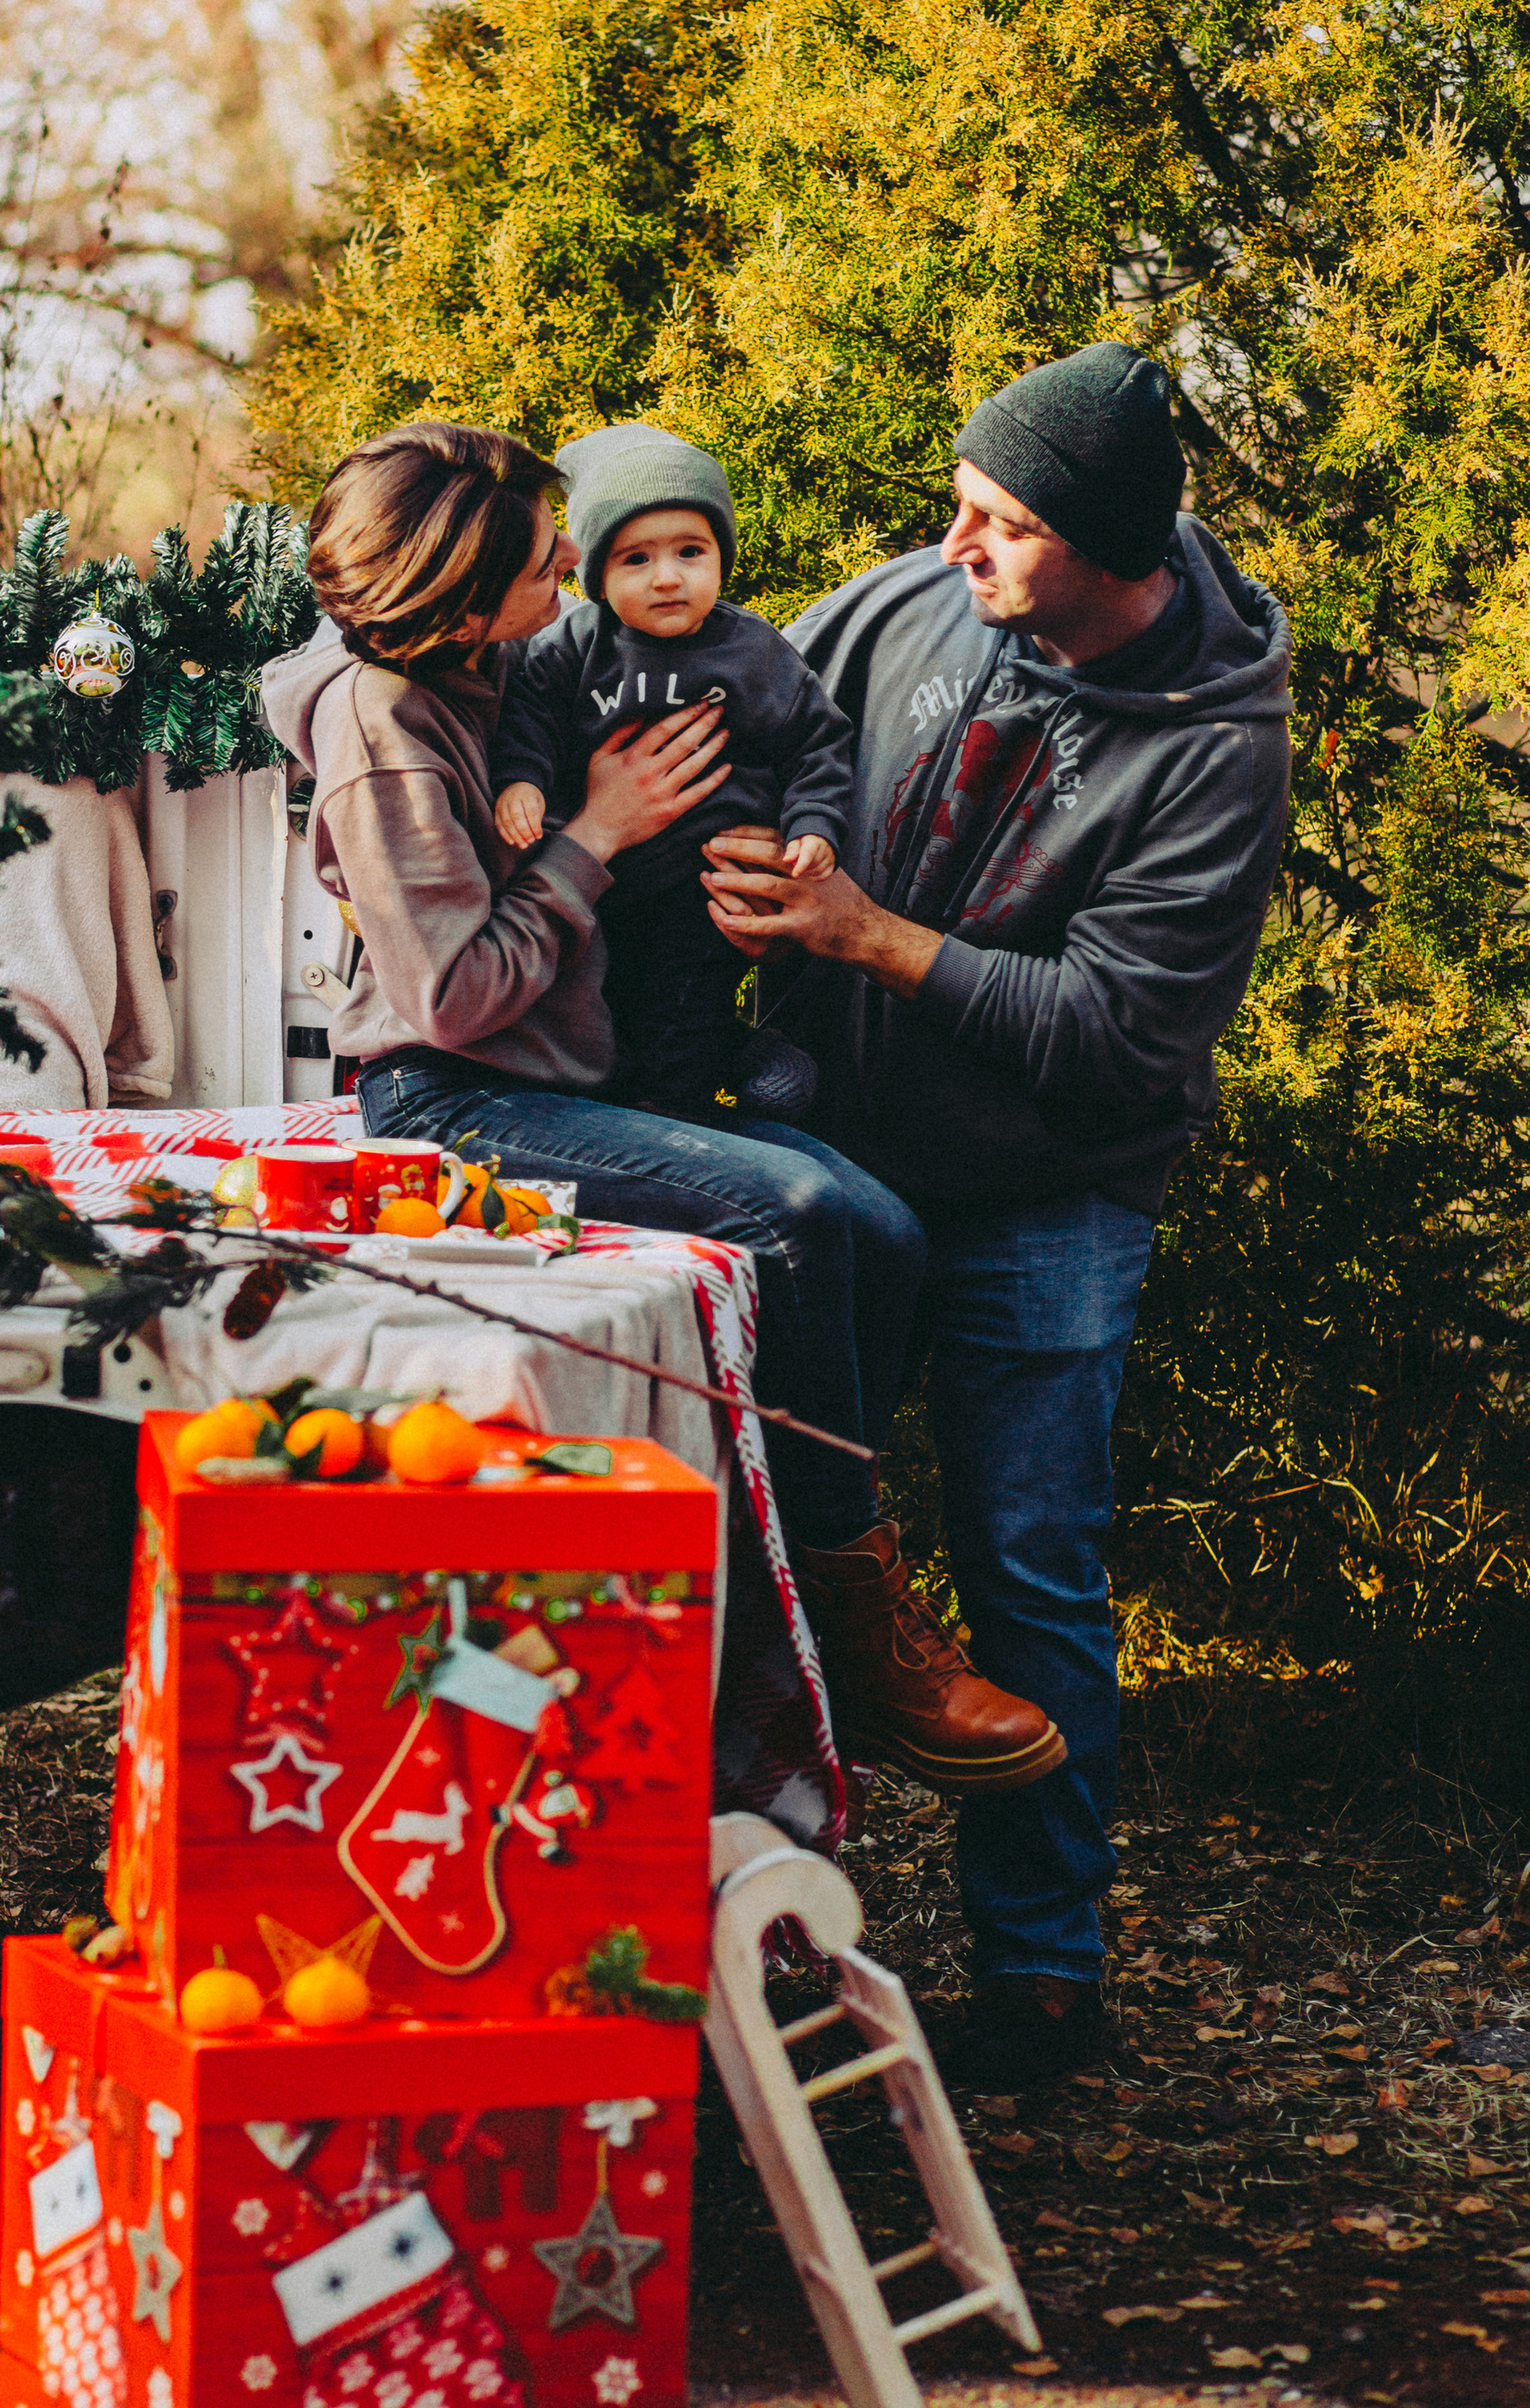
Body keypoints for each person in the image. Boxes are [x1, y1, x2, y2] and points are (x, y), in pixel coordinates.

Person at [259, 416, 1066, 1840]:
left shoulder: (497, 663)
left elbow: (703, 698)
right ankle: (851, 1630)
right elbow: (451, 996)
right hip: (454, 1102)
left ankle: (815, 1580)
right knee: (799, 1216)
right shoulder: (384, 733)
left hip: (576, 1083)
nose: (572, 571)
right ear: (454, 610)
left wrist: (742, 834)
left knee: (878, 1222)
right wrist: (599, 834)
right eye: (540, 563)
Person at [704, 342, 1293, 2087]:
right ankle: (757, 1934)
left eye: (998, 522)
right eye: (959, 504)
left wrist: (865, 937)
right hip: (826, 1176)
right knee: (779, 1554)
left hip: (1047, 1202)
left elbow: (1117, 1043)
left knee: (1031, 1571)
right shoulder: (906, 605)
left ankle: (1042, 1968)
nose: (949, 543)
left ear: (1104, 552)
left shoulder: (1217, 752)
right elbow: (746, 723)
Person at [490, 423, 852, 1116]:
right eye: (636, 559)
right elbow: (528, 718)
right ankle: (705, 1074)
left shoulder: (753, 652)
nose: (667, 576)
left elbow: (817, 744)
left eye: (692, 551)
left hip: (704, 890)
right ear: (596, 574)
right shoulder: (573, 645)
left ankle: (685, 1119)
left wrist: (813, 823)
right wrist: (522, 783)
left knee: (682, 1022)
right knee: (599, 1016)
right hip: (597, 886)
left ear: (722, 557)